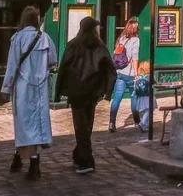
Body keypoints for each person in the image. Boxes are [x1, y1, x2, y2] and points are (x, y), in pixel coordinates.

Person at [1, 6, 58, 180]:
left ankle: (33, 164)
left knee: (24, 125)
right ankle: (19, 158)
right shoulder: (45, 38)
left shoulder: (17, 39)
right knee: (35, 126)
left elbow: (12, 65)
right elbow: (53, 60)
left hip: (22, 87)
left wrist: (6, 87)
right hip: (39, 88)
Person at [56, 16, 117, 174]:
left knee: (81, 126)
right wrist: (107, 92)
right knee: (86, 125)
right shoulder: (99, 46)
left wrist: (58, 92)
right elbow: (111, 71)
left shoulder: (73, 45)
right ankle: (79, 155)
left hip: (77, 91)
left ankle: (87, 160)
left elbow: (63, 69)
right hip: (92, 92)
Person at [109, 17, 140, 132]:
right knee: (134, 96)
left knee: (117, 97)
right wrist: (136, 74)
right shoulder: (136, 40)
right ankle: (137, 121)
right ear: (135, 29)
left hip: (119, 72)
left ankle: (112, 122)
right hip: (130, 73)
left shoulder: (121, 39)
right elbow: (134, 58)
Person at [132, 61, 155, 132]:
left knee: (145, 110)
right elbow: (155, 83)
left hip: (140, 97)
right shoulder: (149, 77)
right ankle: (142, 123)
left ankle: (145, 126)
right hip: (148, 96)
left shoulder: (138, 77)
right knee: (150, 109)